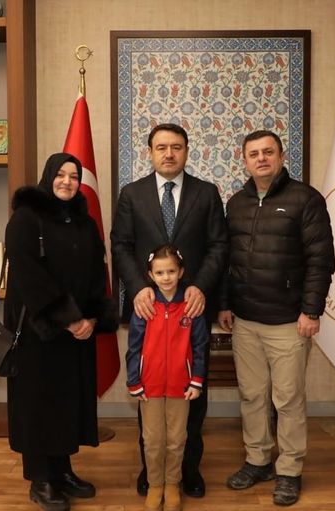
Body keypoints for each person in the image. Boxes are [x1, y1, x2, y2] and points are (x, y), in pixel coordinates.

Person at [218, 130, 335, 507]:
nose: (261, 159)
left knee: (287, 399)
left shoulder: (306, 199)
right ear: (244, 161)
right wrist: (225, 304)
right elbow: (227, 261)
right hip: (245, 320)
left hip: (289, 322)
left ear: (281, 157)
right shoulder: (236, 203)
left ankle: (289, 470)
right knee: (252, 395)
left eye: (268, 152)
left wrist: (311, 310)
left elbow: (321, 260)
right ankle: (258, 461)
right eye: (253, 154)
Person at [111, 123, 228, 498]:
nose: (168, 153)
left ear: (187, 151)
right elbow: (121, 245)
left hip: (191, 307)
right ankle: (152, 472)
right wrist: (139, 287)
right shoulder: (131, 194)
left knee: (191, 394)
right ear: (149, 152)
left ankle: (187, 471)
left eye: (176, 147)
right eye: (161, 147)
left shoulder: (207, 193)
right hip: (148, 308)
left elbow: (218, 246)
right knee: (149, 396)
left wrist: (200, 285)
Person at [4, 152, 118, 511]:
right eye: (61, 175)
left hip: (78, 332)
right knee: (39, 403)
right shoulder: (26, 218)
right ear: (48, 176)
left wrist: (91, 319)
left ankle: (62, 470)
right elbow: (28, 275)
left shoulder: (84, 221)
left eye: (74, 176)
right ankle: (40, 479)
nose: (67, 181)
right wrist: (66, 318)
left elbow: (97, 272)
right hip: (38, 332)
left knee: (67, 401)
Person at [126, 244, 208, 511]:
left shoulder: (191, 306)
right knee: (152, 441)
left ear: (181, 272)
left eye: (171, 271)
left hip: (180, 387)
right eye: (160, 272)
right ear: (150, 275)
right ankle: (155, 485)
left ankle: (172, 484)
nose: (166, 277)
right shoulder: (145, 306)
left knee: (176, 439)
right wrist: (134, 381)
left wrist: (196, 379)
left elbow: (200, 345)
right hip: (149, 386)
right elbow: (134, 347)